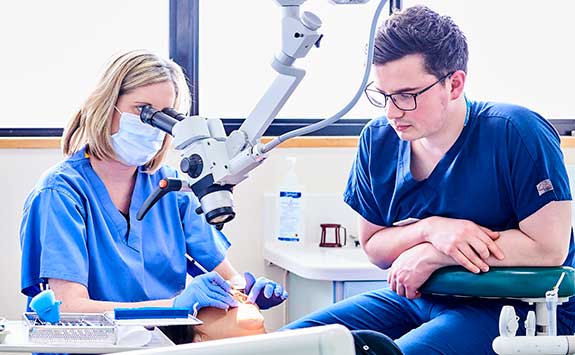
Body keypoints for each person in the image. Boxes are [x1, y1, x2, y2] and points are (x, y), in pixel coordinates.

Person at [283, 5, 575, 355]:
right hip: (417, 298)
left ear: (454, 84)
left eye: (406, 96)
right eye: (383, 96)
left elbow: (548, 247)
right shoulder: (378, 140)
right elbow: (374, 245)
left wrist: (436, 254)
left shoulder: (516, 132)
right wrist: (430, 230)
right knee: (291, 346)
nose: (392, 112)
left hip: (515, 305)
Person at [19, 50, 287, 327]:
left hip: (160, 342)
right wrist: (174, 306)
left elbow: (227, 276)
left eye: (163, 116)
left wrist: (248, 290)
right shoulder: (60, 193)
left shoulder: (174, 189)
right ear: (106, 105)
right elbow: (71, 308)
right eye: (142, 110)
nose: (152, 125)